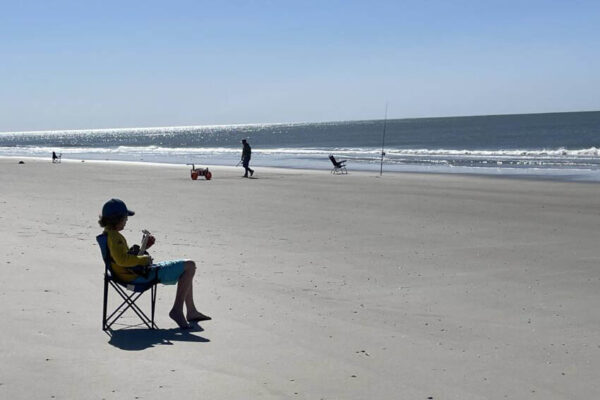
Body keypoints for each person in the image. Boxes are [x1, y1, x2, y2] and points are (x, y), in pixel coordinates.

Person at [98, 198, 210, 329]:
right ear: (116, 219)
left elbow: (125, 260)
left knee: (187, 268)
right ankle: (177, 310)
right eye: (125, 218)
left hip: (133, 274)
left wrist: (143, 249)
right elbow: (122, 260)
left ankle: (191, 311)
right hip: (138, 278)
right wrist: (144, 258)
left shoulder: (110, 234)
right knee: (190, 266)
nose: (126, 221)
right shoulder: (114, 238)